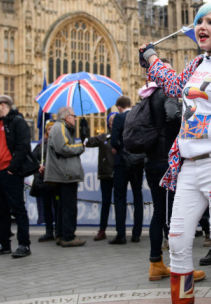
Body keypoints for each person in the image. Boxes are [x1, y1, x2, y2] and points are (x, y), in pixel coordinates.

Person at [139, 3, 211, 304]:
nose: (201, 26)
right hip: (188, 166)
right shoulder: (195, 65)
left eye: (210, 21)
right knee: (178, 241)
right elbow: (174, 84)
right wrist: (151, 57)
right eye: (198, 21)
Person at [139, 66, 182, 281]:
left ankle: (156, 263)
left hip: (151, 162)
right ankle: (179, 267)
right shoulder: (168, 92)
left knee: (159, 212)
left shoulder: (146, 97)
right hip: (166, 161)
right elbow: (173, 115)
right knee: (172, 215)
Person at [0, 95, 32, 258]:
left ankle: (24, 244)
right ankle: (3, 244)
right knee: (1, 211)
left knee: (18, 209)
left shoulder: (17, 121)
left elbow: (23, 146)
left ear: (3, 105)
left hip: (10, 173)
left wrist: (12, 168)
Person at [45, 106, 86, 247]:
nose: (75, 118)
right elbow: (63, 148)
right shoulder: (60, 128)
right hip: (65, 174)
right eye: (73, 116)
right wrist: (81, 146)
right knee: (69, 207)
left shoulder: (61, 128)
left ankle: (61, 235)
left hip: (62, 173)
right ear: (66, 117)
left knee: (62, 206)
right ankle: (68, 237)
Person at [109, 96, 144, 244]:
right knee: (138, 197)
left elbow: (114, 141)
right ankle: (136, 234)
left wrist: (120, 150)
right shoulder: (140, 116)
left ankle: (121, 235)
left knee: (120, 198)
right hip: (138, 162)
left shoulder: (119, 118)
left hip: (122, 163)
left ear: (119, 107)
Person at [85, 112, 117, 242]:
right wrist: (85, 130)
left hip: (119, 173)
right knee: (105, 203)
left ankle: (121, 231)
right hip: (106, 174)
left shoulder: (123, 137)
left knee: (120, 203)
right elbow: (88, 142)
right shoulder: (103, 137)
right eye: (110, 121)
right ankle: (102, 230)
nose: (112, 123)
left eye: (115, 121)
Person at [31, 121, 60, 243]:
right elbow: (32, 159)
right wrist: (39, 166)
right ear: (46, 131)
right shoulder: (41, 145)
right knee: (47, 207)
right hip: (43, 180)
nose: (51, 131)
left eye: (53, 129)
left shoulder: (59, 143)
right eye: (49, 129)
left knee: (58, 207)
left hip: (56, 180)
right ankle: (49, 231)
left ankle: (59, 231)